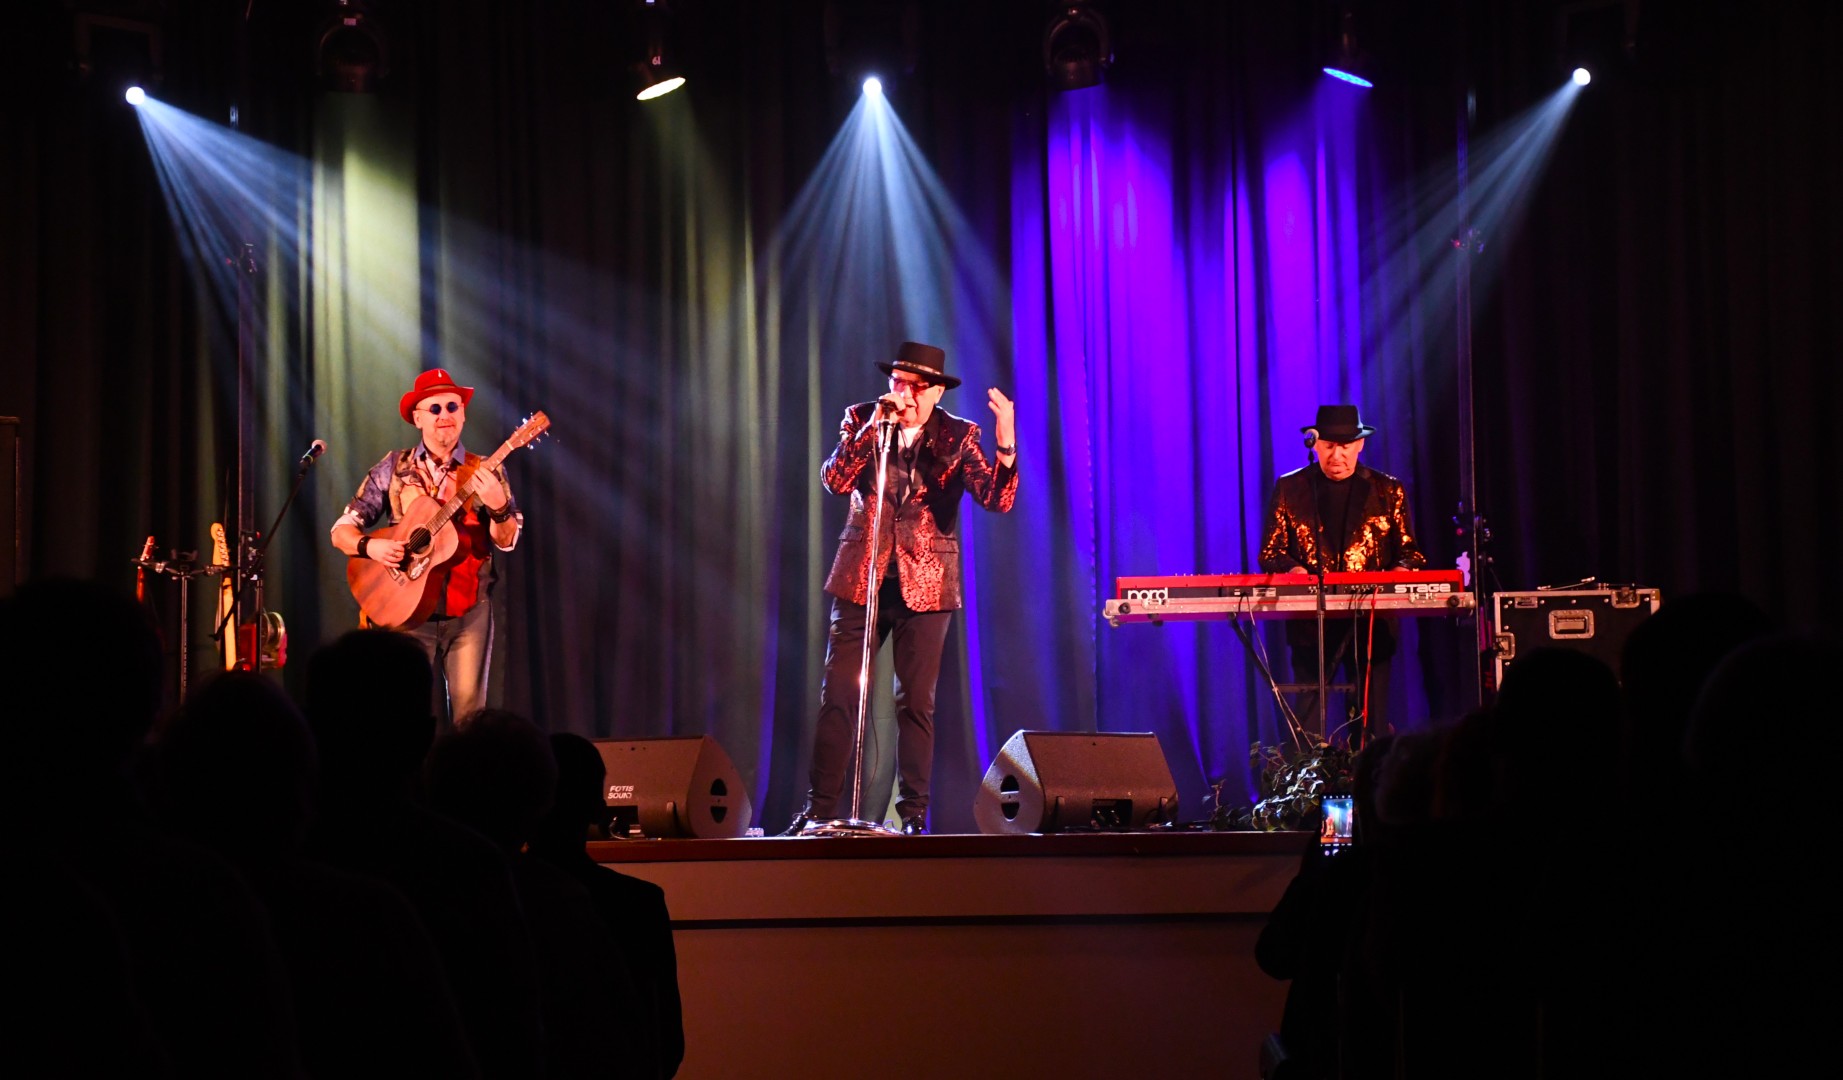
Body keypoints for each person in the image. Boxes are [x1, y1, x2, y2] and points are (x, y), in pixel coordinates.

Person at [789, 341, 1019, 835]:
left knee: (915, 703)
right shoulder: (863, 419)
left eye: (916, 387)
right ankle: (819, 810)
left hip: (927, 585)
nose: (905, 394)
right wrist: (875, 427)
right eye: (898, 382)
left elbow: (997, 499)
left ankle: (913, 815)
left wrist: (1006, 442)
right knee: (839, 695)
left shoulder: (959, 435)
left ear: (937, 392)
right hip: (862, 578)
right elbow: (835, 480)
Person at [331, 368, 523, 728]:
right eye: (434, 409)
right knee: (401, 719)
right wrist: (370, 547)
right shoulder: (393, 467)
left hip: (468, 613)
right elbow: (340, 532)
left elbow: (507, 539)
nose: (444, 415)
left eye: (452, 407)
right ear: (418, 418)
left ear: (463, 415)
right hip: (404, 612)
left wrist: (498, 506)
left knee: (470, 721)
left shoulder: (484, 470)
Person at [1259, 404, 1423, 744]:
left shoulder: (1387, 490)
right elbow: (1270, 552)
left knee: (1371, 721)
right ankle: (1309, 775)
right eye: (1330, 445)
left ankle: (1370, 774)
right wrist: (1294, 569)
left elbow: (1411, 553)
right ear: (1316, 444)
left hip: (1372, 623)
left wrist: (1394, 577)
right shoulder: (1291, 488)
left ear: (1360, 445)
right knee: (1308, 721)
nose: (1338, 455)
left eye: (1346, 445)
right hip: (1311, 622)